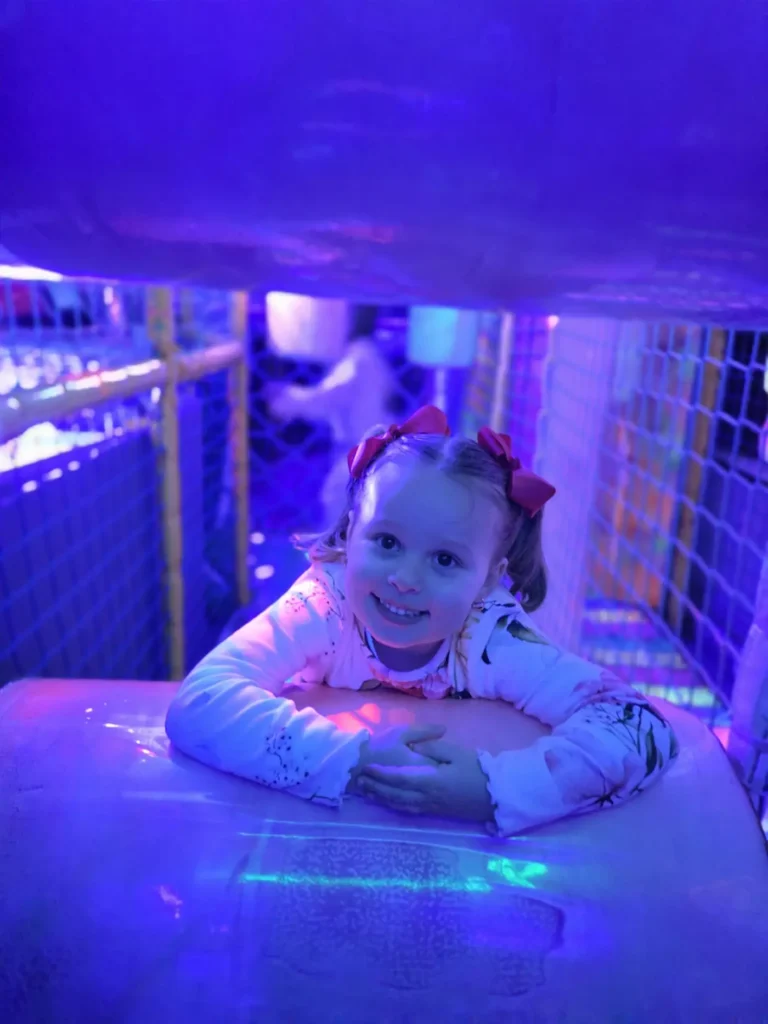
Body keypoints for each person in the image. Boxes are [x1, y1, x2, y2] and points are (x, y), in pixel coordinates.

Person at [165, 405, 678, 837]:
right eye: (387, 543)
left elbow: (642, 729)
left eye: (445, 560)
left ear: (486, 580)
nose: (406, 579)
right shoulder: (325, 604)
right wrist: (349, 757)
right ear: (350, 535)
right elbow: (199, 701)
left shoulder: (490, 637)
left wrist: (497, 789)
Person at [268, 305, 402, 526]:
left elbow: (325, 399)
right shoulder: (366, 358)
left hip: (363, 452)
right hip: (369, 451)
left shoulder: (358, 360)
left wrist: (285, 398)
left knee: (339, 511)